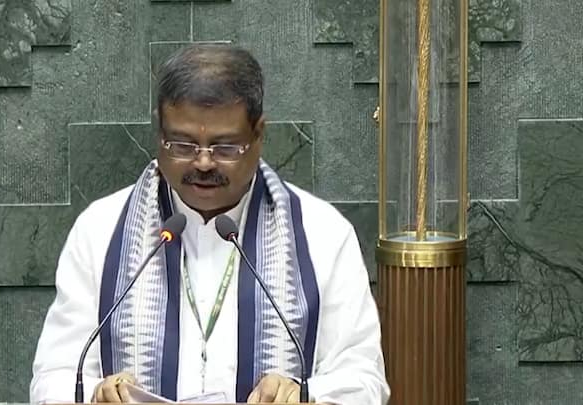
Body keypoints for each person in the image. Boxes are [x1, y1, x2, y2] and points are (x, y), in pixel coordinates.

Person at [30, 44, 390, 404]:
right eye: (183, 145)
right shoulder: (100, 230)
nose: (203, 163)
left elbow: (364, 379)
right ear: (159, 135)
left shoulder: (322, 233)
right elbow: (54, 377)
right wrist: (95, 395)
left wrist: (306, 396)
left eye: (225, 147)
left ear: (258, 135)